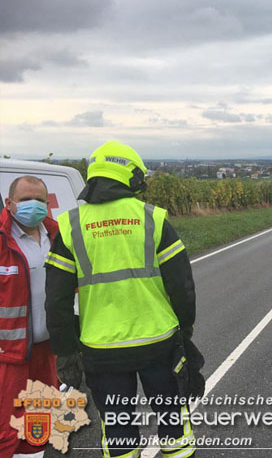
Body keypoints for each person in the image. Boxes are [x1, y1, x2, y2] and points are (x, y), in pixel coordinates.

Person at [45, 141, 201, 458]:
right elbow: (182, 285)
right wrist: (185, 330)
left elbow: (56, 300)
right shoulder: (153, 219)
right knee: (173, 424)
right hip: (158, 344)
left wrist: (66, 350)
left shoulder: (70, 226)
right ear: (130, 175)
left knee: (117, 430)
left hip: (101, 351)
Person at [0, 176, 58, 458]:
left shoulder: (57, 237)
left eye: (39, 200)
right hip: (8, 356)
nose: (33, 205)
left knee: (39, 425)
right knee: (5, 431)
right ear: (9, 204)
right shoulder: (2, 242)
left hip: (47, 352)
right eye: (25, 200)